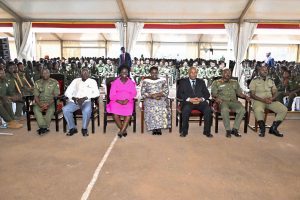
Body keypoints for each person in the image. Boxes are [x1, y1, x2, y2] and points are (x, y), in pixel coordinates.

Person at [249, 65, 288, 137]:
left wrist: (272, 98)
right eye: (263, 70)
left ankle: (273, 128)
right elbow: (252, 94)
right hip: (259, 100)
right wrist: (263, 100)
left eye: (266, 70)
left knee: (283, 109)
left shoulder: (270, 80)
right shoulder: (254, 80)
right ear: (259, 71)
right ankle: (262, 129)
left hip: (270, 101)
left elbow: (275, 92)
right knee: (258, 110)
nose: (265, 71)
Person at [211, 69, 250, 138]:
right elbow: (213, 93)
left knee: (242, 109)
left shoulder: (235, 82)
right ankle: (228, 130)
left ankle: (235, 129)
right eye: (226, 73)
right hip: (222, 102)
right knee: (225, 109)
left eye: (229, 73)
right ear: (222, 74)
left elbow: (239, 93)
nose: (228, 74)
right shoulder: (216, 82)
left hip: (233, 102)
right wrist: (217, 98)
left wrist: (245, 96)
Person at [63, 67, 100, 137]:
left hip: (86, 101)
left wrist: (85, 98)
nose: (85, 73)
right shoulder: (75, 81)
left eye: (87, 72)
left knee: (87, 110)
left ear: (89, 73)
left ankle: (84, 128)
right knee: (65, 109)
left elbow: (97, 93)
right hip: (75, 101)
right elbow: (67, 92)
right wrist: (73, 98)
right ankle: (72, 128)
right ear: (80, 73)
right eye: (83, 72)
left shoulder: (92, 81)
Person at [177, 67, 212, 138]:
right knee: (186, 110)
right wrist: (189, 99)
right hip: (188, 102)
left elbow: (207, 94)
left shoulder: (201, 82)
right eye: (192, 72)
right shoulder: (183, 82)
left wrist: (201, 99)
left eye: (195, 72)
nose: (193, 74)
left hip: (200, 102)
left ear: (197, 73)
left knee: (208, 110)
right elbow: (179, 94)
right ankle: (184, 131)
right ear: (188, 73)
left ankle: (207, 131)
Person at [106, 65, 137, 138]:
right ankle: (123, 130)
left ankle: (121, 131)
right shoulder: (115, 82)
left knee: (128, 114)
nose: (124, 73)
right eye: (123, 72)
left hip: (128, 101)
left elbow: (134, 93)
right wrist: (119, 101)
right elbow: (111, 95)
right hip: (116, 101)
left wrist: (127, 100)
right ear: (119, 73)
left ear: (128, 73)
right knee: (114, 113)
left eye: (126, 72)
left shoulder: (131, 82)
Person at [141, 66, 171, 135]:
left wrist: (158, 95)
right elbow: (143, 92)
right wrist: (151, 96)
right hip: (149, 99)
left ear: (158, 73)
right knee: (151, 106)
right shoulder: (145, 81)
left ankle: (159, 128)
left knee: (161, 105)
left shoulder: (163, 80)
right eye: (152, 73)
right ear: (150, 73)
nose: (154, 74)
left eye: (156, 73)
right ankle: (154, 128)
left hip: (161, 98)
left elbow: (166, 91)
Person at [33, 68, 60, 135]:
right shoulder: (37, 83)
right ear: (41, 74)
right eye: (43, 73)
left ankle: (43, 127)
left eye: (47, 73)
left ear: (49, 73)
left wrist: (47, 104)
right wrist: (40, 105)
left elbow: (55, 96)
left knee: (50, 110)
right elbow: (36, 96)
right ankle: (44, 127)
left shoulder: (55, 82)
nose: (45, 74)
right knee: (35, 109)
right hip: (40, 101)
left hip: (52, 101)